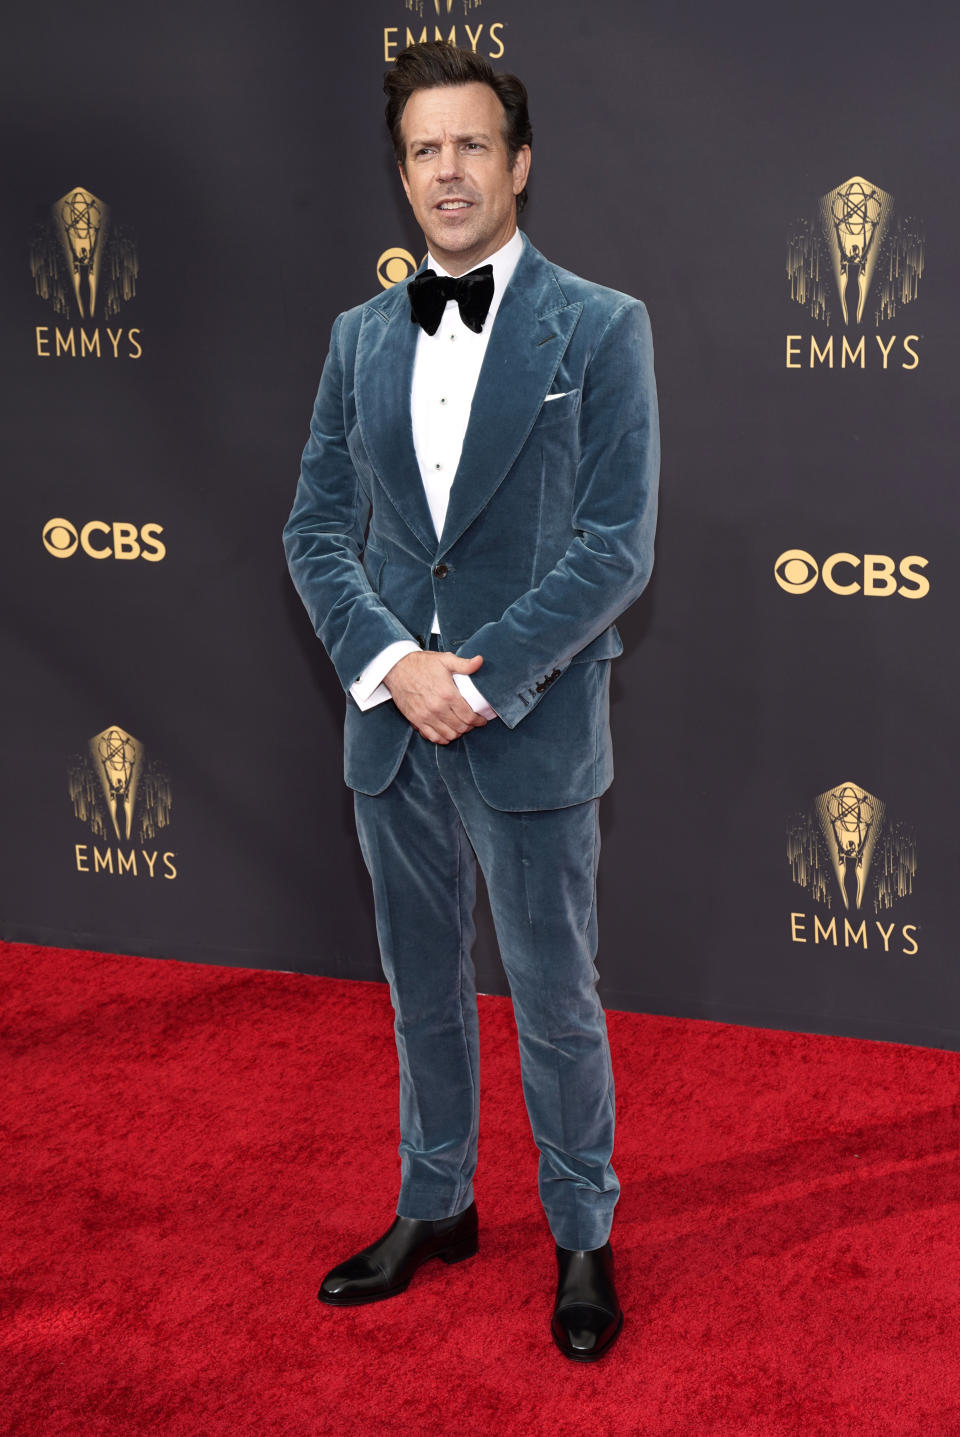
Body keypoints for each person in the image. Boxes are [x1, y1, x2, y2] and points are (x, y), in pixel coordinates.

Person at [283, 40, 659, 1362]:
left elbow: (616, 543)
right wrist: (395, 668)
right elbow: (317, 526)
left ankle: (582, 1233)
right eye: (426, 149)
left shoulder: (603, 326)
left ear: (520, 162)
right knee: (422, 988)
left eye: (473, 145)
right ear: (404, 174)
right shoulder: (352, 339)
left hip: (532, 725)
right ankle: (436, 1202)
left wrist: (479, 675)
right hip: (391, 724)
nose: (450, 170)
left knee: (554, 996)